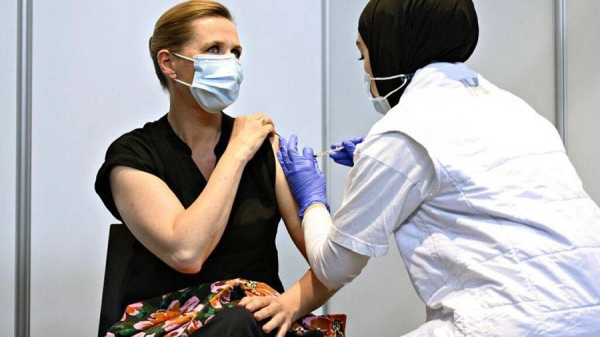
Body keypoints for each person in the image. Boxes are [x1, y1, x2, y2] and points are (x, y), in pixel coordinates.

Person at [276, 0, 600, 336]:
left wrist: (311, 198)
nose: (366, 72)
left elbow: (333, 265)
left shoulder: (402, 130)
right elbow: (471, 179)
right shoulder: (517, 110)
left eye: (364, 55)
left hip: (511, 321)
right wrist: (375, 159)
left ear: (391, 46)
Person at [94, 1, 338, 336]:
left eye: (235, 53)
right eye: (214, 49)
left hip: (254, 326)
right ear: (169, 64)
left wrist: (290, 304)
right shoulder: (135, 155)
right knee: (234, 323)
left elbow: (333, 262)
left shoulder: (263, 148)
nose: (230, 63)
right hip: (171, 326)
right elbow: (186, 251)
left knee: (243, 321)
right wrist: (236, 152)